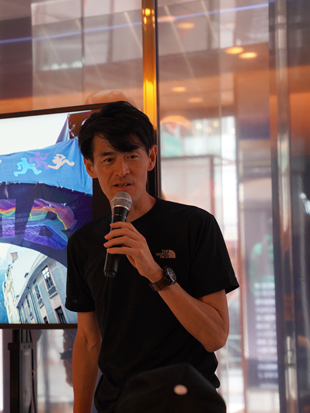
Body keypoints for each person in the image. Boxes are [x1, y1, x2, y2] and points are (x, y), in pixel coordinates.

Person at [65, 101, 239, 413]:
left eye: (132, 155)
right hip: (118, 404)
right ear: (90, 167)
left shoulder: (194, 225)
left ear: (151, 157)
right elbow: (89, 339)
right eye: (108, 159)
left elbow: (215, 336)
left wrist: (155, 273)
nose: (122, 170)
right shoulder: (84, 242)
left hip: (186, 401)